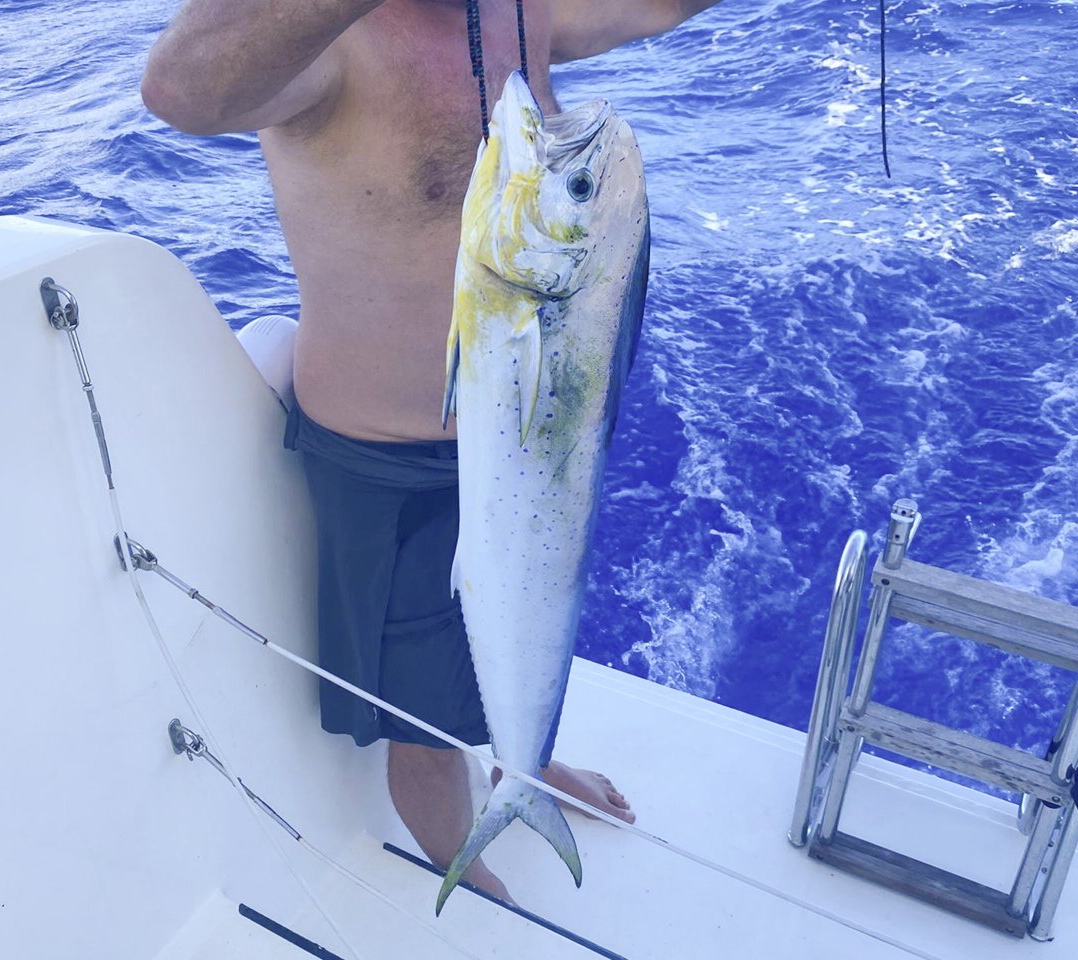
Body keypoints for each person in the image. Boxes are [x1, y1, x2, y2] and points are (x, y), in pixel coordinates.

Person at [141, 0, 722, 903]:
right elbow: (179, 91)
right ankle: (474, 876)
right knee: (425, 722)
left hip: (531, 440)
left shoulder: (514, 8)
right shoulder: (323, 40)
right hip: (391, 462)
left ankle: (521, 763)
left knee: (521, 631)